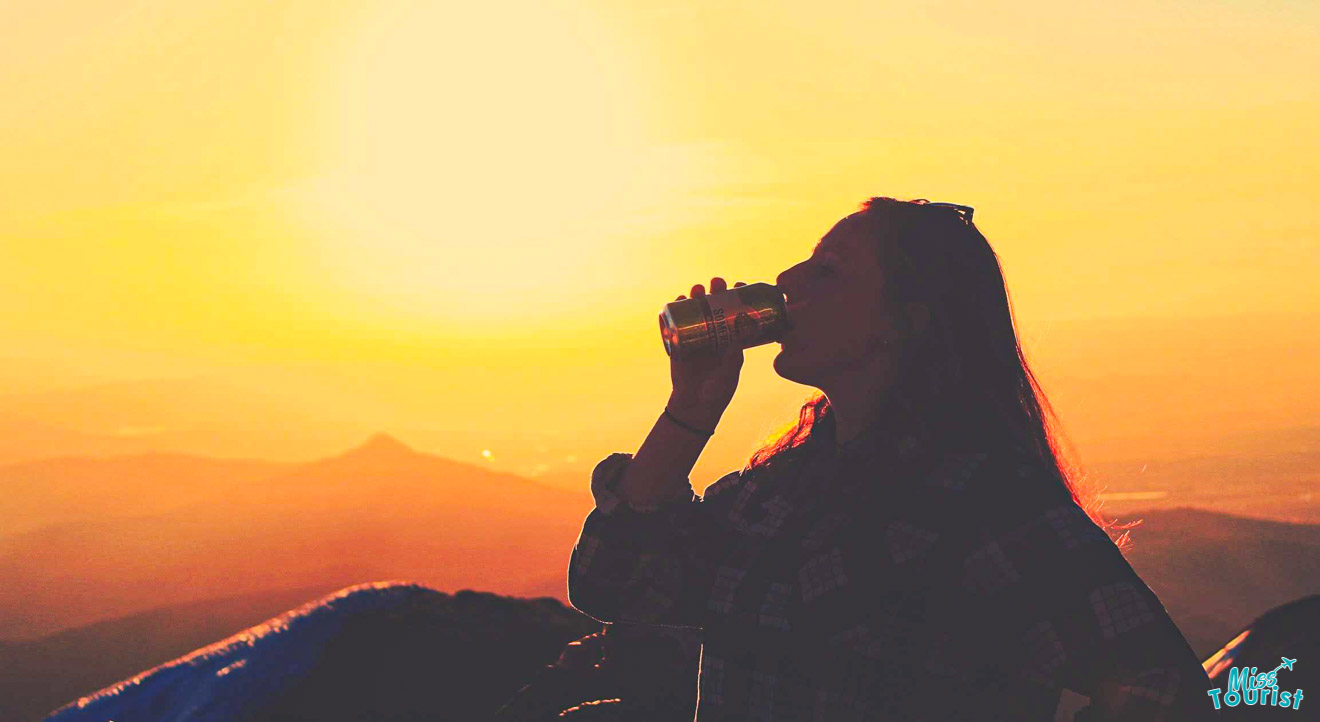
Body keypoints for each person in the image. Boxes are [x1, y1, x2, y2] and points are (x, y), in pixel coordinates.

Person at [566, 196, 1220, 721]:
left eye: (828, 272)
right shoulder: (776, 492)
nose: (787, 282)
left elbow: (1160, 687)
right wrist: (692, 408)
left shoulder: (985, 508)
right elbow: (612, 584)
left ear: (908, 321)